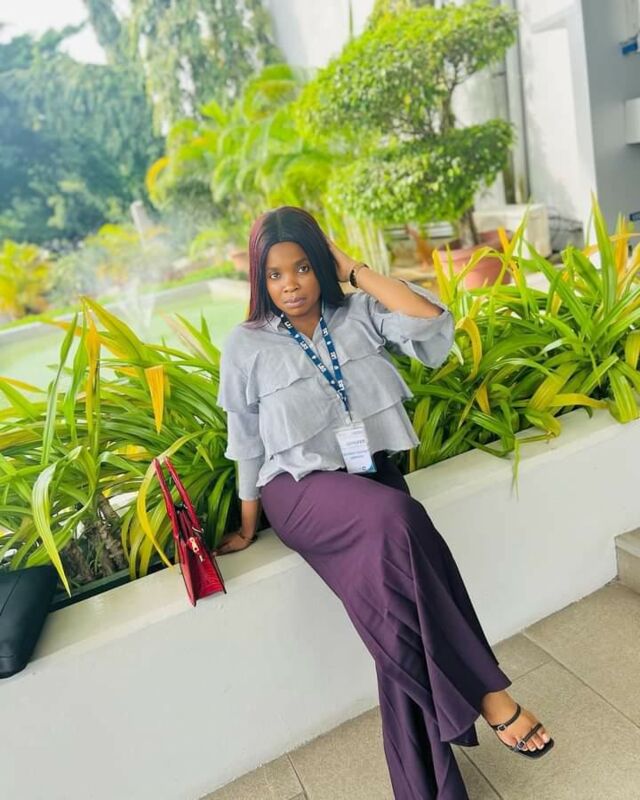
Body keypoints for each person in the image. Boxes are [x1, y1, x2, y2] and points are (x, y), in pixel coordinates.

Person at [214, 206, 554, 799]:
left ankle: (428, 790)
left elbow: (431, 320)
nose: (290, 284)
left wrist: (354, 270)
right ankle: (490, 695)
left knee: (396, 623)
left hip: (372, 477)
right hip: (300, 490)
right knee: (402, 517)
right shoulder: (247, 344)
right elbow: (245, 443)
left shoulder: (360, 314)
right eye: (275, 274)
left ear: (322, 264)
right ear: (259, 279)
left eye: (303, 267)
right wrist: (247, 525)